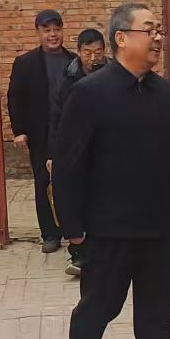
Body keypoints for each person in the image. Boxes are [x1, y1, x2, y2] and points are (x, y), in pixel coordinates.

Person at [53, 3, 170, 339]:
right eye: (148, 30)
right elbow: (67, 165)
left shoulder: (164, 94)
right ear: (121, 38)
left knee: (157, 317)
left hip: (156, 229)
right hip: (108, 230)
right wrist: (73, 228)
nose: (157, 38)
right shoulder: (90, 94)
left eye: (159, 31)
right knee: (97, 310)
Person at [7, 10, 77, 254]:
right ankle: (49, 233)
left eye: (56, 29)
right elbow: (15, 98)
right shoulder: (25, 63)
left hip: (70, 132)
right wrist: (19, 130)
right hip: (40, 133)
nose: (52, 35)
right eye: (47, 30)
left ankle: (73, 231)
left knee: (71, 181)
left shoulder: (74, 61)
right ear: (38, 32)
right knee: (43, 182)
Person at [47, 28, 108, 277]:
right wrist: (53, 154)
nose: (93, 58)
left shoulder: (113, 74)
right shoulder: (69, 77)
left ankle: (102, 252)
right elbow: (57, 117)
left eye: (98, 52)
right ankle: (79, 254)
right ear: (79, 52)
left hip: (106, 148)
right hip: (75, 149)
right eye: (87, 52)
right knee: (75, 199)